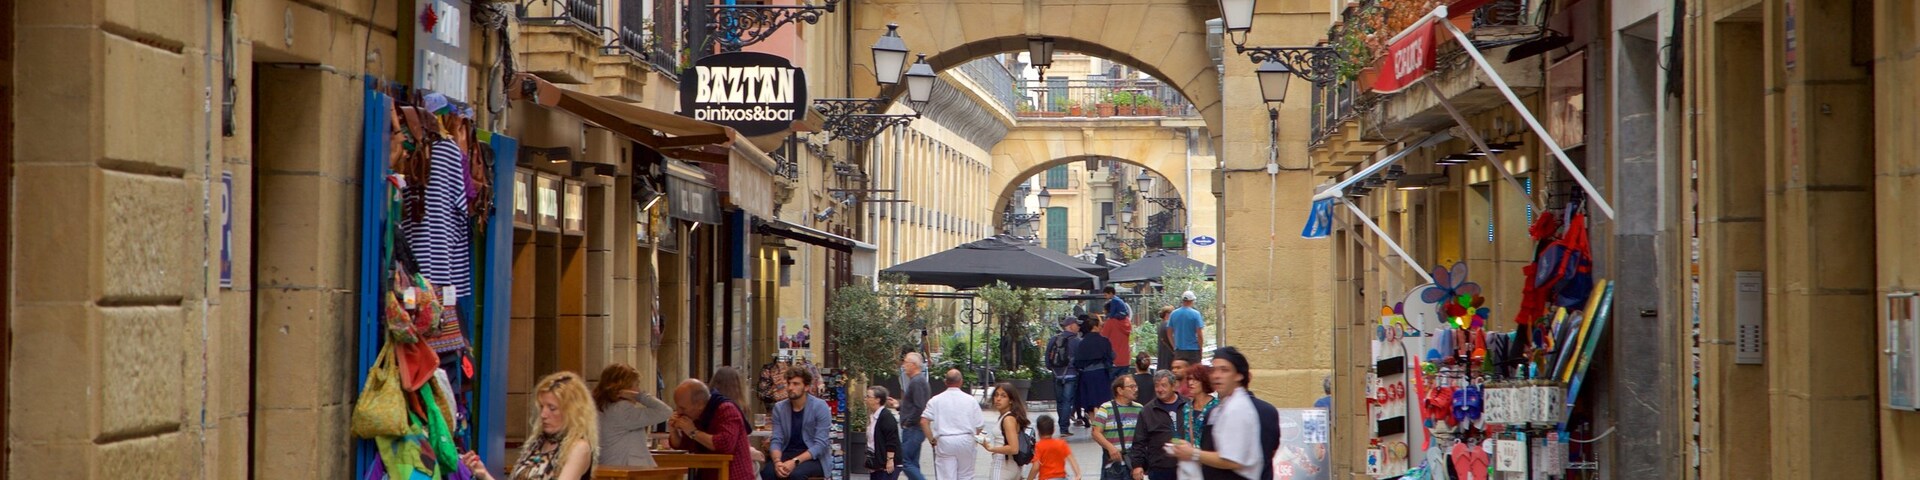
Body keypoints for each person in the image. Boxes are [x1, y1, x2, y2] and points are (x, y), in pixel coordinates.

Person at [460, 371, 598, 480]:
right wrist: (483, 474)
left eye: (552, 408)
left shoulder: (579, 448)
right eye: (542, 407)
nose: (543, 414)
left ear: (572, 412)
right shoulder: (538, 442)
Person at [1171, 347, 1279, 480]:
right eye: (1214, 370)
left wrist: (1192, 453)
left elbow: (1233, 459)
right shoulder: (1217, 409)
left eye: (1224, 370)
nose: (1216, 375)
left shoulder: (1238, 408)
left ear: (1239, 375)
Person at [668, 378, 756, 480]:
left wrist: (693, 432)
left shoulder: (726, 409)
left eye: (683, 408)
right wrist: (673, 431)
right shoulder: (695, 416)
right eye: (677, 407)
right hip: (707, 473)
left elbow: (725, 445)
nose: (678, 412)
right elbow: (684, 446)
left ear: (700, 404)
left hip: (732, 475)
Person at [595, 364, 675, 467]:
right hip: (628, 468)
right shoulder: (622, 409)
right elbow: (665, 411)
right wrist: (640, 396)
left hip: (609, 465)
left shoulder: (601, 407)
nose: (638, 389)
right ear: (625, 387)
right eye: (636, 385)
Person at [764, 367, 835, 480]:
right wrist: (777, 462)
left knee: (796, 475)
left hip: (813, 457)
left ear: (806, 387)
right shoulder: (779, 408)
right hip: (787, 452)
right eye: (789, 383)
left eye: (796, 384)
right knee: (768, 472)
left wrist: (795, 462)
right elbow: (777, 439)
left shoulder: (820, 407)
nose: (790, 388)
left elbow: (821, 444)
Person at [922, 369, 986, 480]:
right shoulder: (970, 400)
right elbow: (979, 425)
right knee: (966, 475)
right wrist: (973, 437)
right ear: (961, 382)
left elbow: (924, 421)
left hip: (945, 440)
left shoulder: (936, 400)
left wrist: (932, 440)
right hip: (966, 439)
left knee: (946, 476)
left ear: (946, 382)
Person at [1130, 370, 1188, 480]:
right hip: (1160, 468)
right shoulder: (1147, 411)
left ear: (1173, 385)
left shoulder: (1187, 405)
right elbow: (1139, 440)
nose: (1159, 389)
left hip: (1186, 464)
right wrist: (1137, 465)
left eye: (1164, 385)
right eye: (1156, 386)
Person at [1093, 375, 1143, 480]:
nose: (1136, 389)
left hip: (1133, 462)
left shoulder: (1139, 409)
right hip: (1113, 463)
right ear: (1120, 390)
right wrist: (1110, 447)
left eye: (1136, 386)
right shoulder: (1106, 408)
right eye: (1131, 387)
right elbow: (1096, 432)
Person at [1173, 365, 1218, 480]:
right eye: (1189, 379)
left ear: (1205, 381)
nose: (1191, 383)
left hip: (1211, 463)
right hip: (1191, 463)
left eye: (1195, 379)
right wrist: (1175, 443)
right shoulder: (1186, 407)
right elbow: (1177, 434)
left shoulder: (1217, 407)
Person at [981, 382, 1033, 480]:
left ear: (1011, 400)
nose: (998, 399)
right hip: (1014, 466)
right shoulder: (1011, 417)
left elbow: (1014, 448)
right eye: (996, 395)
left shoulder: (1008, 419)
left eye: (1003, 396)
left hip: (1002, 465)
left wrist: (991, 448)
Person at [897, 352, 933, 480]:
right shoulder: (918, 381)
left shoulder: (917, 382)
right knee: (912, 462)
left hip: (913, 429)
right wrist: (898, 406)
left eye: (906, 362)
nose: (903, 365)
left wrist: (908, 422)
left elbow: (920, 407)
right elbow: (915, 405)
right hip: (915, 428)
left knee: (906, 462)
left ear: (913, 365)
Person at [1044, 316, 1083, 436]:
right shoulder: (1077, 341)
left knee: (1060, 401)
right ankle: (1064, 428)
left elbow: (1047, 356)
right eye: (1077, 324)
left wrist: (1051, 368)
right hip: (1071, 375)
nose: (1079, 326)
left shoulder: (1054, 339)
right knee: (1067, 401)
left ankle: (1062, 425)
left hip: (1057, 374)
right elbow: (1080, 359)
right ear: (1070, 325)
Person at [1075, 316, 1117, 426]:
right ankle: (1101, 425)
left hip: (1087, 375)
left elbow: (1077, 361)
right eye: (1100, 325)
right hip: (1101, 374)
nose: (1102, 327)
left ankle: (1094, 424)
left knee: (1090, 400)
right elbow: (1111, 356)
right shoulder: (1104, 341)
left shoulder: (1082, 343)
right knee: (1102, 400)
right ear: (1095, 326)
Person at [866, 386, 903, 480]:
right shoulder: (873, 416)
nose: (865, 399)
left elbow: (891, 440)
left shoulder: (886, 417)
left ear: (877, 400)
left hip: (886, 464)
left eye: (868, 396)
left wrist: (890, 460)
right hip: (876, 462)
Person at [1027, 415, 1081, 480]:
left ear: (1038, 431)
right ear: (1054, 430)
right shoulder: (1061, 443)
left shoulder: (1039, 446)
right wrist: (1078, 474)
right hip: (1061, 477)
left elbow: (1036, 467)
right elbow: (1072, 460)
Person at [1100, 286, 1134, 377]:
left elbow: (1102, 339)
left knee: (1111, 387)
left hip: (1113, 360)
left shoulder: (1110, 322)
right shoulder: (1127, 321)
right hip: (1125, 359)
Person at [1166, 292, 1206, 364]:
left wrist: (1174, 346)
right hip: (1193, 350)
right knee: (1194, 373)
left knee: (1181, 372)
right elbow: (1199, 334)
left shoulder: (1173, 314)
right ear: (1192, 301)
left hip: (1179, 350)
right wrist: (1200, 348)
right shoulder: (1196, 314)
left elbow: (1169, 333)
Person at [1155, 306, 1177, 374]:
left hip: (1163, 353)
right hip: (1168, 355)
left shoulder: (1161, 324)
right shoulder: (1168, 325)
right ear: (1167, 314)